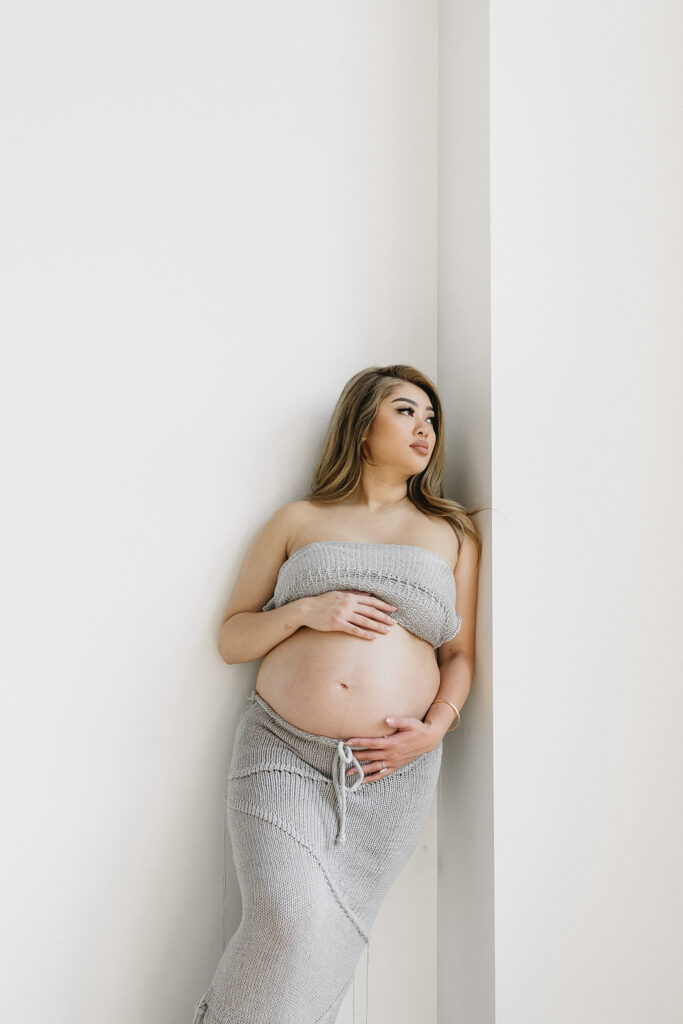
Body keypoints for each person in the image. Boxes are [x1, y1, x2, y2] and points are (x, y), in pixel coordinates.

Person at [192, 364, 482, 1024]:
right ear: (361, 425)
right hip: (281, 747)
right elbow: (233, 637)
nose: (425, 429)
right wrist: (304, 611)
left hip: (388, 769)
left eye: (431, 418)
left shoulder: (453, 530)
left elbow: (459, 655)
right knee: (286, 917)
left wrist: (435, 727)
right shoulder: (297, 519)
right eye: (406, 411)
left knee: (324, 940)